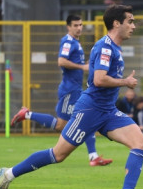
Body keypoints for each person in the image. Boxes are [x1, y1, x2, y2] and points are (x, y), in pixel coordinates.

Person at [0, 4, 143, 189]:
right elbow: (99, 79)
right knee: (58, 155)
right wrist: (125, 82)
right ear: (116, 23)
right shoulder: (105, 47)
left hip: (108, 111)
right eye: (130, 21)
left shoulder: (114, 48)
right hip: (90, 110)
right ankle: (7, 174)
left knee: (139, 143)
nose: (134, 25)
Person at [9, 15, 112, 166]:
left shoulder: (76, 43)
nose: (79, 28)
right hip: (69, 90)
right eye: (75, 25)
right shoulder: (68, 41)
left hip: (75, 88)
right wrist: (82, 66)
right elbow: (61, 61)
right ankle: (28, 114)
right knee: (70, 122)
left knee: (82, 119)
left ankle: (93, 156)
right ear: (68, 27)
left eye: (81, 25)